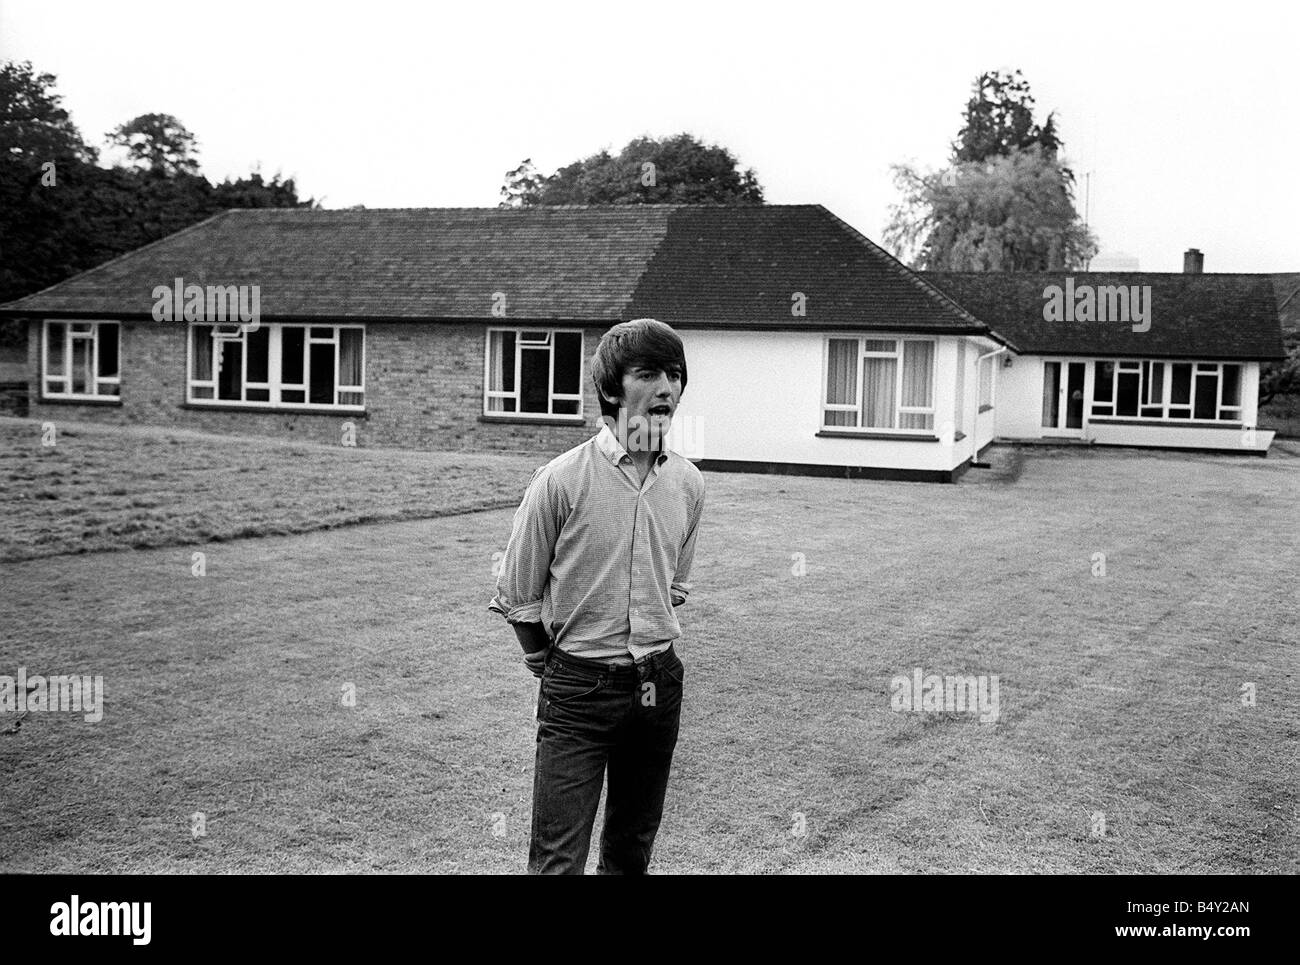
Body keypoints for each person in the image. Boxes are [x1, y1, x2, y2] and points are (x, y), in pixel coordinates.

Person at [488, 317, 706, 874]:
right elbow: (517, 591)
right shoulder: (560, 481)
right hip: (579, 691)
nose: (667, 388)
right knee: (559, 859)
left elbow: (671, 588)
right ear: (612, 389)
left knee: (631, 849)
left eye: (675, 375)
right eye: (649, 373)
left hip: (658, 686)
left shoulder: (687, 483)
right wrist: (546, 660)